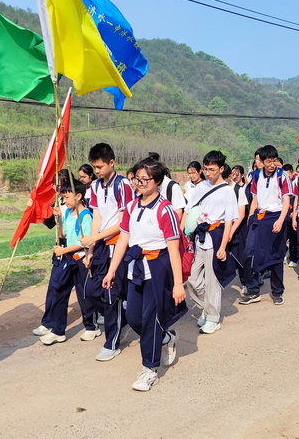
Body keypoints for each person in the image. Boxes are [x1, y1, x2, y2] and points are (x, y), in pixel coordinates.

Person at [102, 158, 187, 391]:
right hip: (135, 267)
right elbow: (123, 240)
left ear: (157, 181)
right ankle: (166, 338)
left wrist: (178, 284)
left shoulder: (165, 209)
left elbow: (173, 250)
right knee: (135, 317)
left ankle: (149, 369)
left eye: (145, 180)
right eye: (136, 179)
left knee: (150, 318)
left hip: (158, 267)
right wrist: (111, 271)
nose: (139, 183)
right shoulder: (131, 206)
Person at [79, 143, 133, 362]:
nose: (97, 171)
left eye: (100, 166)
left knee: (110, 294)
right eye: (94, 167)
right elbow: (97, 219)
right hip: (101, 245)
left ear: (112, 162)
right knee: (92, 292)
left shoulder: (123, 186)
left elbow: (123, 223)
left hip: (117, 244)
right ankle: (123, 316)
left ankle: (112, 342)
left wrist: (95, 239)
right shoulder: (95, 187)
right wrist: (91, 248)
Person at [34, 181, 99, 344]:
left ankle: (92, 326)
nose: (64, 200)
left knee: (84, 294)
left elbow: (85, 241)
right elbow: (63, 235)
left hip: (80, 258)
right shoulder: (68, 213)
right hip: (68, 258)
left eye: (67, 196)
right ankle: (58, 330)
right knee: (59, 291)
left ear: (78, 196)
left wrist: (64, 250)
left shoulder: (86, 216)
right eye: (63, 196)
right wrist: (59, 220)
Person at [182, 151, 239, 334]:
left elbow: (229, 220)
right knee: (192, 278)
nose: (208, 173)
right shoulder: (200, 187)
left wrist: (223, 246)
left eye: (212, 169)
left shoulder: (228, 191)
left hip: (216, 237)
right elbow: (189, 209)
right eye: (206, 169)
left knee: (212, 282)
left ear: (221, 169)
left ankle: (213, 318)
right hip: (200, 237)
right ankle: (206, 309)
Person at [239, 145, 293, 306]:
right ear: (261, 162)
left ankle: (277, 291)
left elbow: (286, 201)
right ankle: (253, 289)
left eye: (274, 161)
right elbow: (254, 199)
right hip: (259, 217)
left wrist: (281, 220)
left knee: (276, 255)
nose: (272, 164)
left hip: (277, 217)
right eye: (268, 161)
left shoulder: (283, 176)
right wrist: (250, 217)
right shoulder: (255, 176)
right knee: (249, 253)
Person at [283, 164, 298, 268]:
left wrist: (295, 212)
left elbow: (298, 200)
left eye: (289, 175)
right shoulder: (281, 185)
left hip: (293, 215)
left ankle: (293, 258)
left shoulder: (295, 184)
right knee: (283, 238)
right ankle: (283, 253)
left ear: (293, 174)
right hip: (283, 216)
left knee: (293, 239)